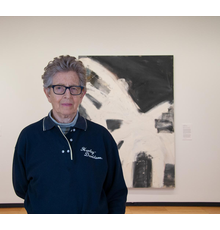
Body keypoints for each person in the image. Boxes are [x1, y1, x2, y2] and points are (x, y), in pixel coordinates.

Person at [12, 55, 128, 214]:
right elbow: (21, 188)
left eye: (74, 88)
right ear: (48, 93)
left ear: (82, 94)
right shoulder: (28, 137)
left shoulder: (102, 137)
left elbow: (116, 192)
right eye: (59, 88)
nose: (67, 95)